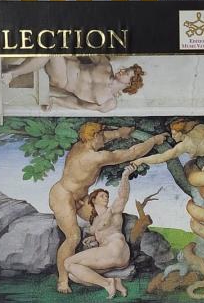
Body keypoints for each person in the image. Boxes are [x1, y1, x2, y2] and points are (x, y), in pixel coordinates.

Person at [49, 121, 167, 293]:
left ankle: (98, 266)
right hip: (63, 195)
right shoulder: (95, 157)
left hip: (81, 196)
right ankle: (62, 280)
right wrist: (154, 141)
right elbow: (132, 153)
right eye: (101, 137)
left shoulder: (81, 144)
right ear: (94, 136)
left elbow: (105, 135)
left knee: (104, 222)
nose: (104, 140)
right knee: (73, 237)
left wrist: (120, 132)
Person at [64, 165, 135, 297]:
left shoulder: (113, 210)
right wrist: (93, 239)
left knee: (68, 262)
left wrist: (125, 176)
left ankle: (107, 284)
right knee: (73, 275)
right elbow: (101, 233)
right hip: (110, 256)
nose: (106, 198)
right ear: (93, 199)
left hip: (116, 249)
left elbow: (122, 197)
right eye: (102, 196)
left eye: (107, 196)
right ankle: (115, 281)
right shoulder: (95, 221)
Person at [2, 53, 144, 111]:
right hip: (68, 61)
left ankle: (13, 74)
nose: (122, 70)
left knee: (51, 52)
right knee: (54, 49)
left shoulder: (109, 103)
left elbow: (79, 104)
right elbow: (87, 50)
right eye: (125, 69)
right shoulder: (106, 66)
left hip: (62, 80)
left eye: (126, 73)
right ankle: (12, 73)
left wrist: (55, 100)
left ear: (129, 84)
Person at [133, 117, 204, 173]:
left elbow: (162, 157)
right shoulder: (200, 128)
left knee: (203, 176)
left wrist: (141, 160)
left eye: (174, 133)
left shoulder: (185, 144)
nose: (173, 136)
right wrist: (141, 160)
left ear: (181, 132)